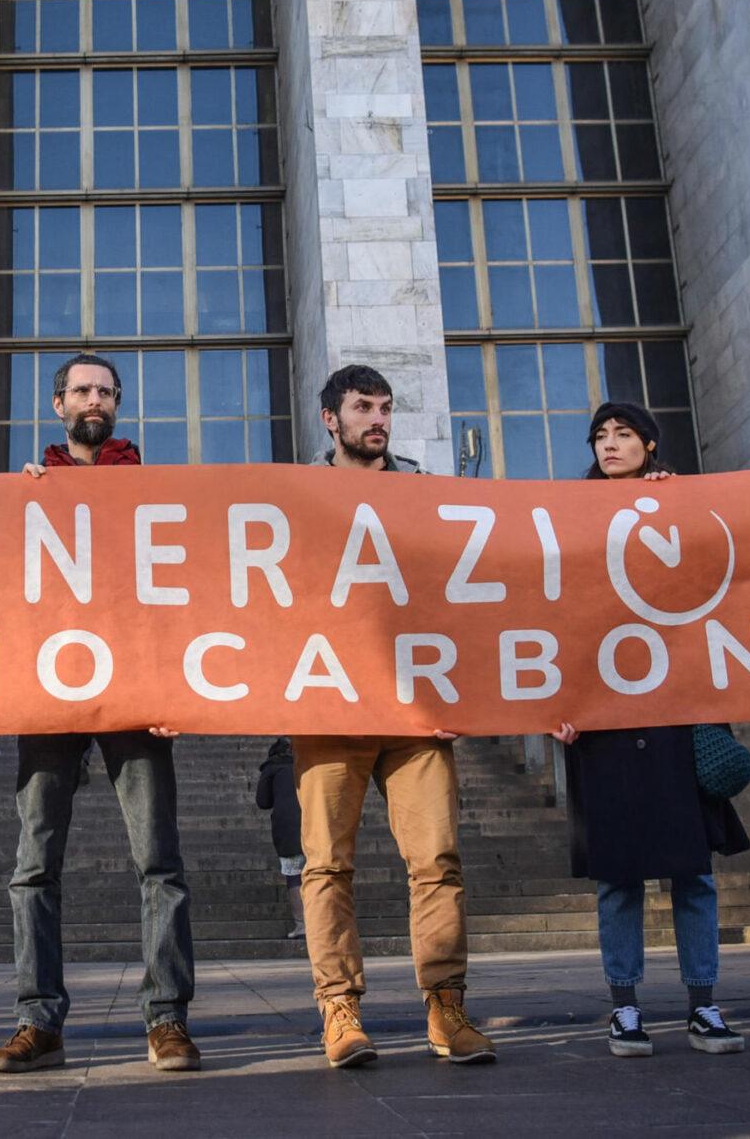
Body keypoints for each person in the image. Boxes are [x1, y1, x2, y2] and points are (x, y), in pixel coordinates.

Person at [0, 353, 199, 1074]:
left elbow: (178, 591)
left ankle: (166, 1019)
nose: (95, 399)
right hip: (50, 690)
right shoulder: (29, 489)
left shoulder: (149, 489)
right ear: (58, 405)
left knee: (158, 862)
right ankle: (37, 1020)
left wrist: (174, 687)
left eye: (106, 391)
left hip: (135, 689)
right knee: (33, 864)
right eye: (82, 390)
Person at [290, 363, 494, 1070]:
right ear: (330, 420)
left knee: (436, 861)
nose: (377, 419)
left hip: (415, 705)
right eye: (362, 408)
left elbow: (455, 598)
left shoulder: (424, 498)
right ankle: (339, 1010)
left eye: (384, 407)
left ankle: (446, 1006)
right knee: (326, 865)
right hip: (327, 702)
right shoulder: (295, 501)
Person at [557, 401, 745, 1059]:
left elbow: (716, 581)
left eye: (623, 434)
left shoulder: (680, 503)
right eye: (600, 437)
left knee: (693, 873)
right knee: (618, 875)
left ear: (650, 443)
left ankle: (704, 1003)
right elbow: (556, 610)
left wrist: (683, 504)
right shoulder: (569, 516)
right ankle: (625, 1007)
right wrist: (558, 699)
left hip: (675, 712)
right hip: (603, 721)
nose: (609, 445)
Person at [254, 738, 305, 940]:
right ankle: (324, 926)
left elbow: (263, 801)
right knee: (321, 873)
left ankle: (302, 925)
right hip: (313, 824)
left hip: (287, 829)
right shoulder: (306, 764)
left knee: (294, 876)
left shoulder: (273, 769)